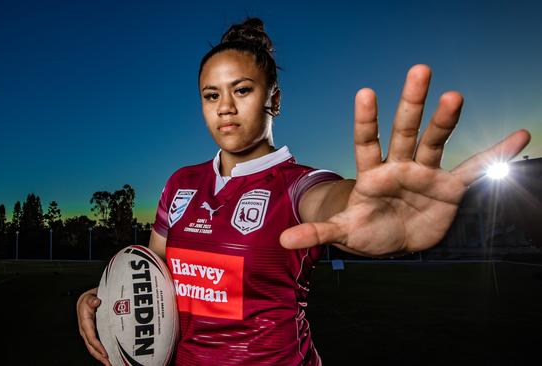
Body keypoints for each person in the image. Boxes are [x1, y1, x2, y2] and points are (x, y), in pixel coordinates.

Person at [77, 17, 530, 365]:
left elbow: (331, 200)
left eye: (242, 90)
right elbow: (153, 277)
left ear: (274, 99)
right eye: (210, 95)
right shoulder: (181, 183)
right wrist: (100, 302)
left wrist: (364, 207)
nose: (225, 108)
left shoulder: (297, 185)